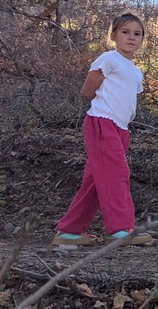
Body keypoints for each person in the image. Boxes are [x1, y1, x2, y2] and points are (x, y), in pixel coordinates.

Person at [53, 14, 152, 247]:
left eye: (137, 34)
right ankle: (121, 229)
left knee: (96, 181)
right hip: (101, 122)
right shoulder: (109, 59)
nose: (131, 37)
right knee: (117, 174)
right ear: (113, 35)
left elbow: (129, 98)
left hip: (121, 128)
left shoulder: (136, 71)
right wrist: (103, 110)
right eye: (125, 32)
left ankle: (69, 231)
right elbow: (88, 90)